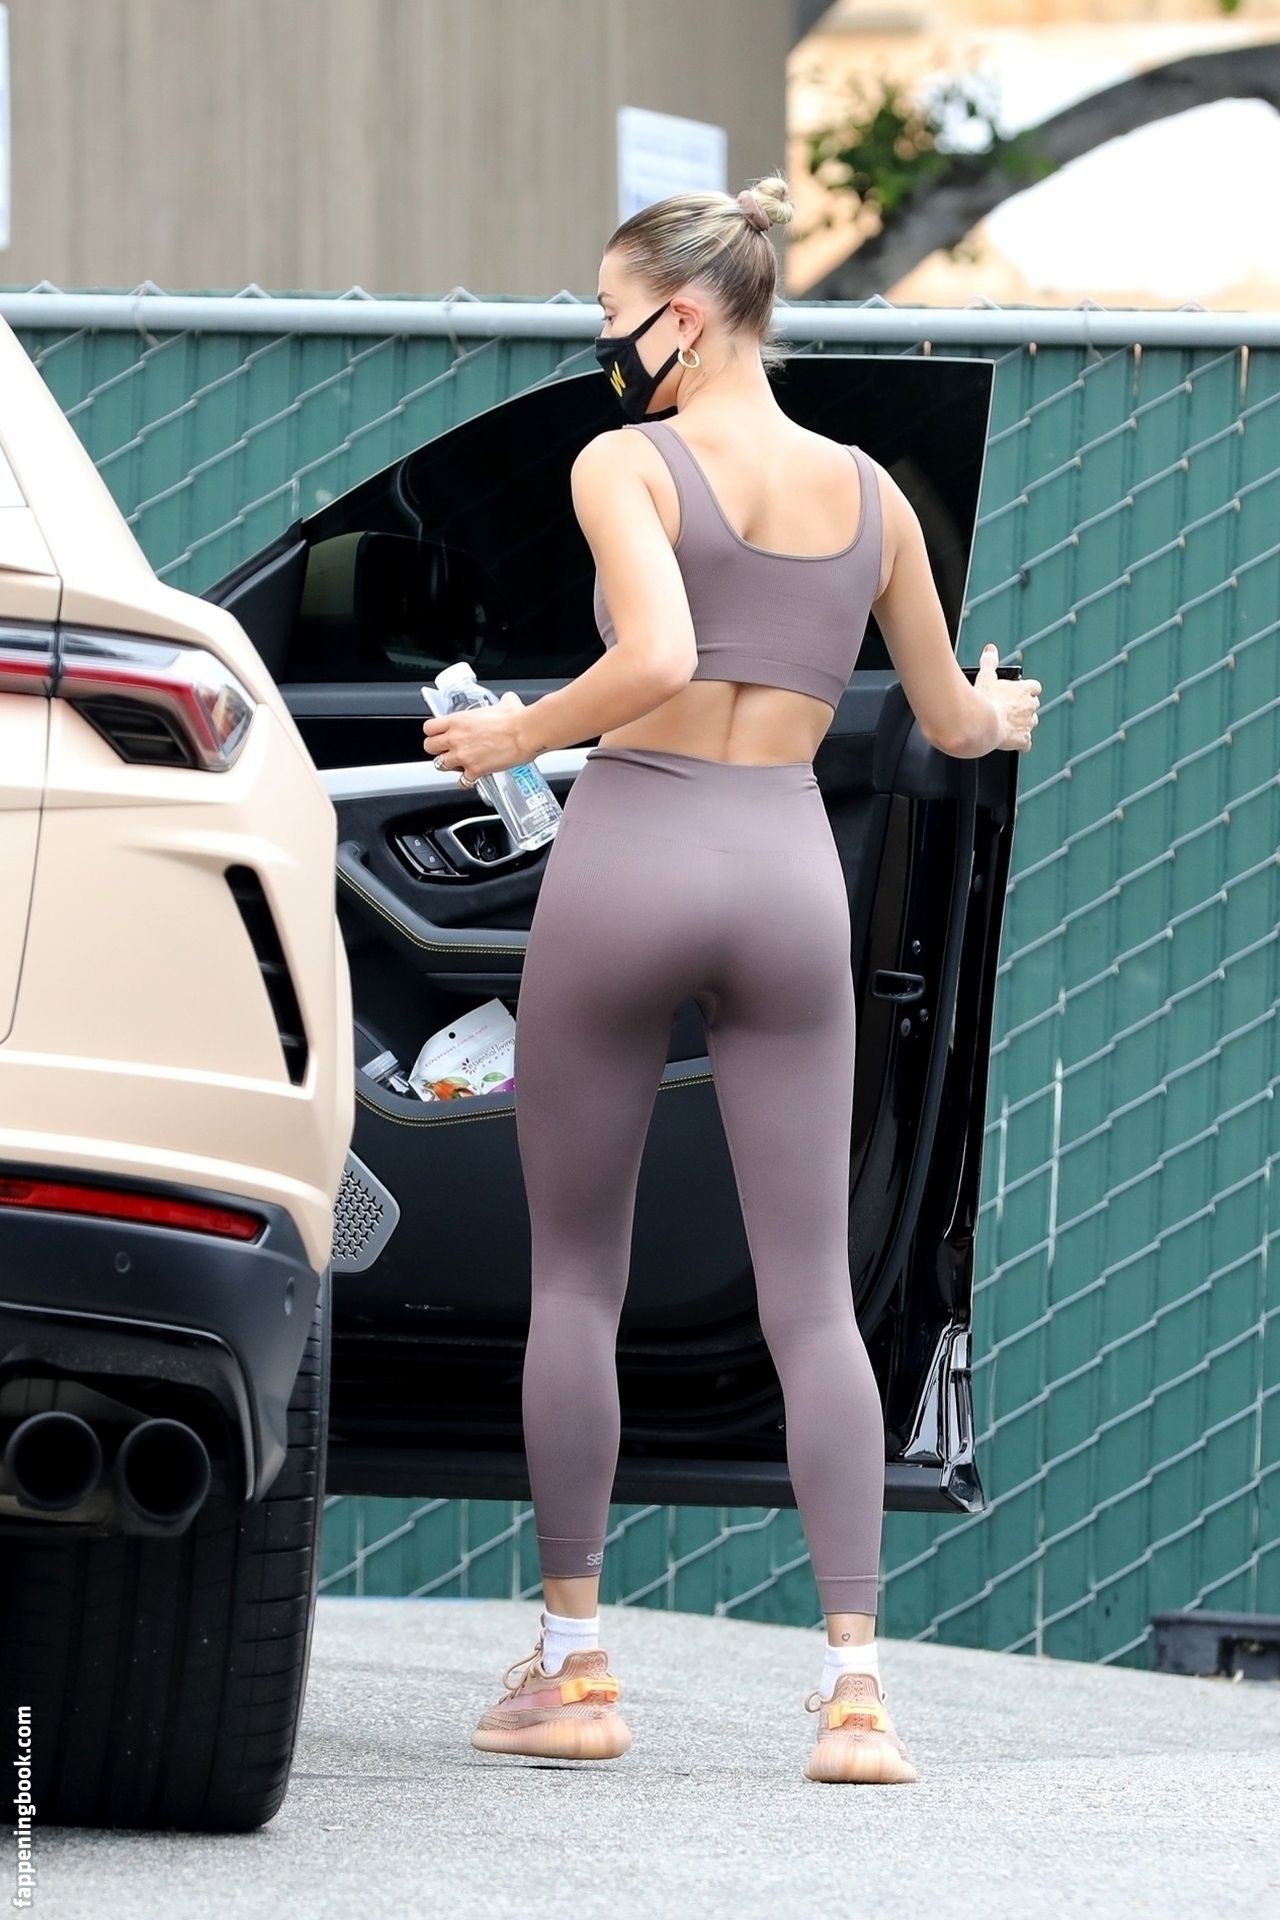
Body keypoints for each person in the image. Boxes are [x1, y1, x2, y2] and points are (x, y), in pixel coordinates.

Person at [422, 173, 1042, 1784]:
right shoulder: (874, 497)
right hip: (784, 873)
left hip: (633, 853)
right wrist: (1003, 710)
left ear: (683, 319)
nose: (603, 344)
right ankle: (856, 1695)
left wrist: (506, 733)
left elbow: (656, 658)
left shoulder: (624, 462)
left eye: (610, 317)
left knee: (578, 1280)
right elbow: (952, 723)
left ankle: (574, 1671)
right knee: (814, 1297)